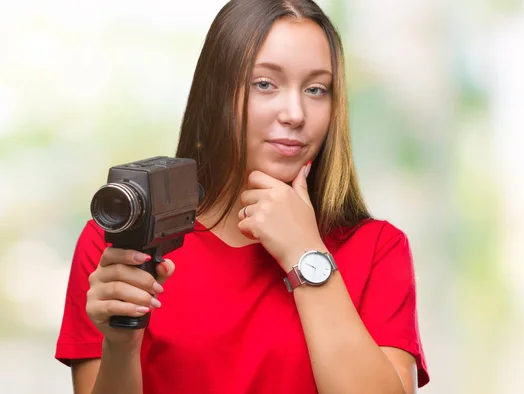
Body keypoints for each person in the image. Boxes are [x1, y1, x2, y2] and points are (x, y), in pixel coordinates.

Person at [55, 0, 430, 393]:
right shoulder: (120, 244)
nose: (295, 113)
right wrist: (120, 344)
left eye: (317, 89)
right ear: (216, 95)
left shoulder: (377, 249)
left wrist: (306, 255)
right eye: (265, 84)